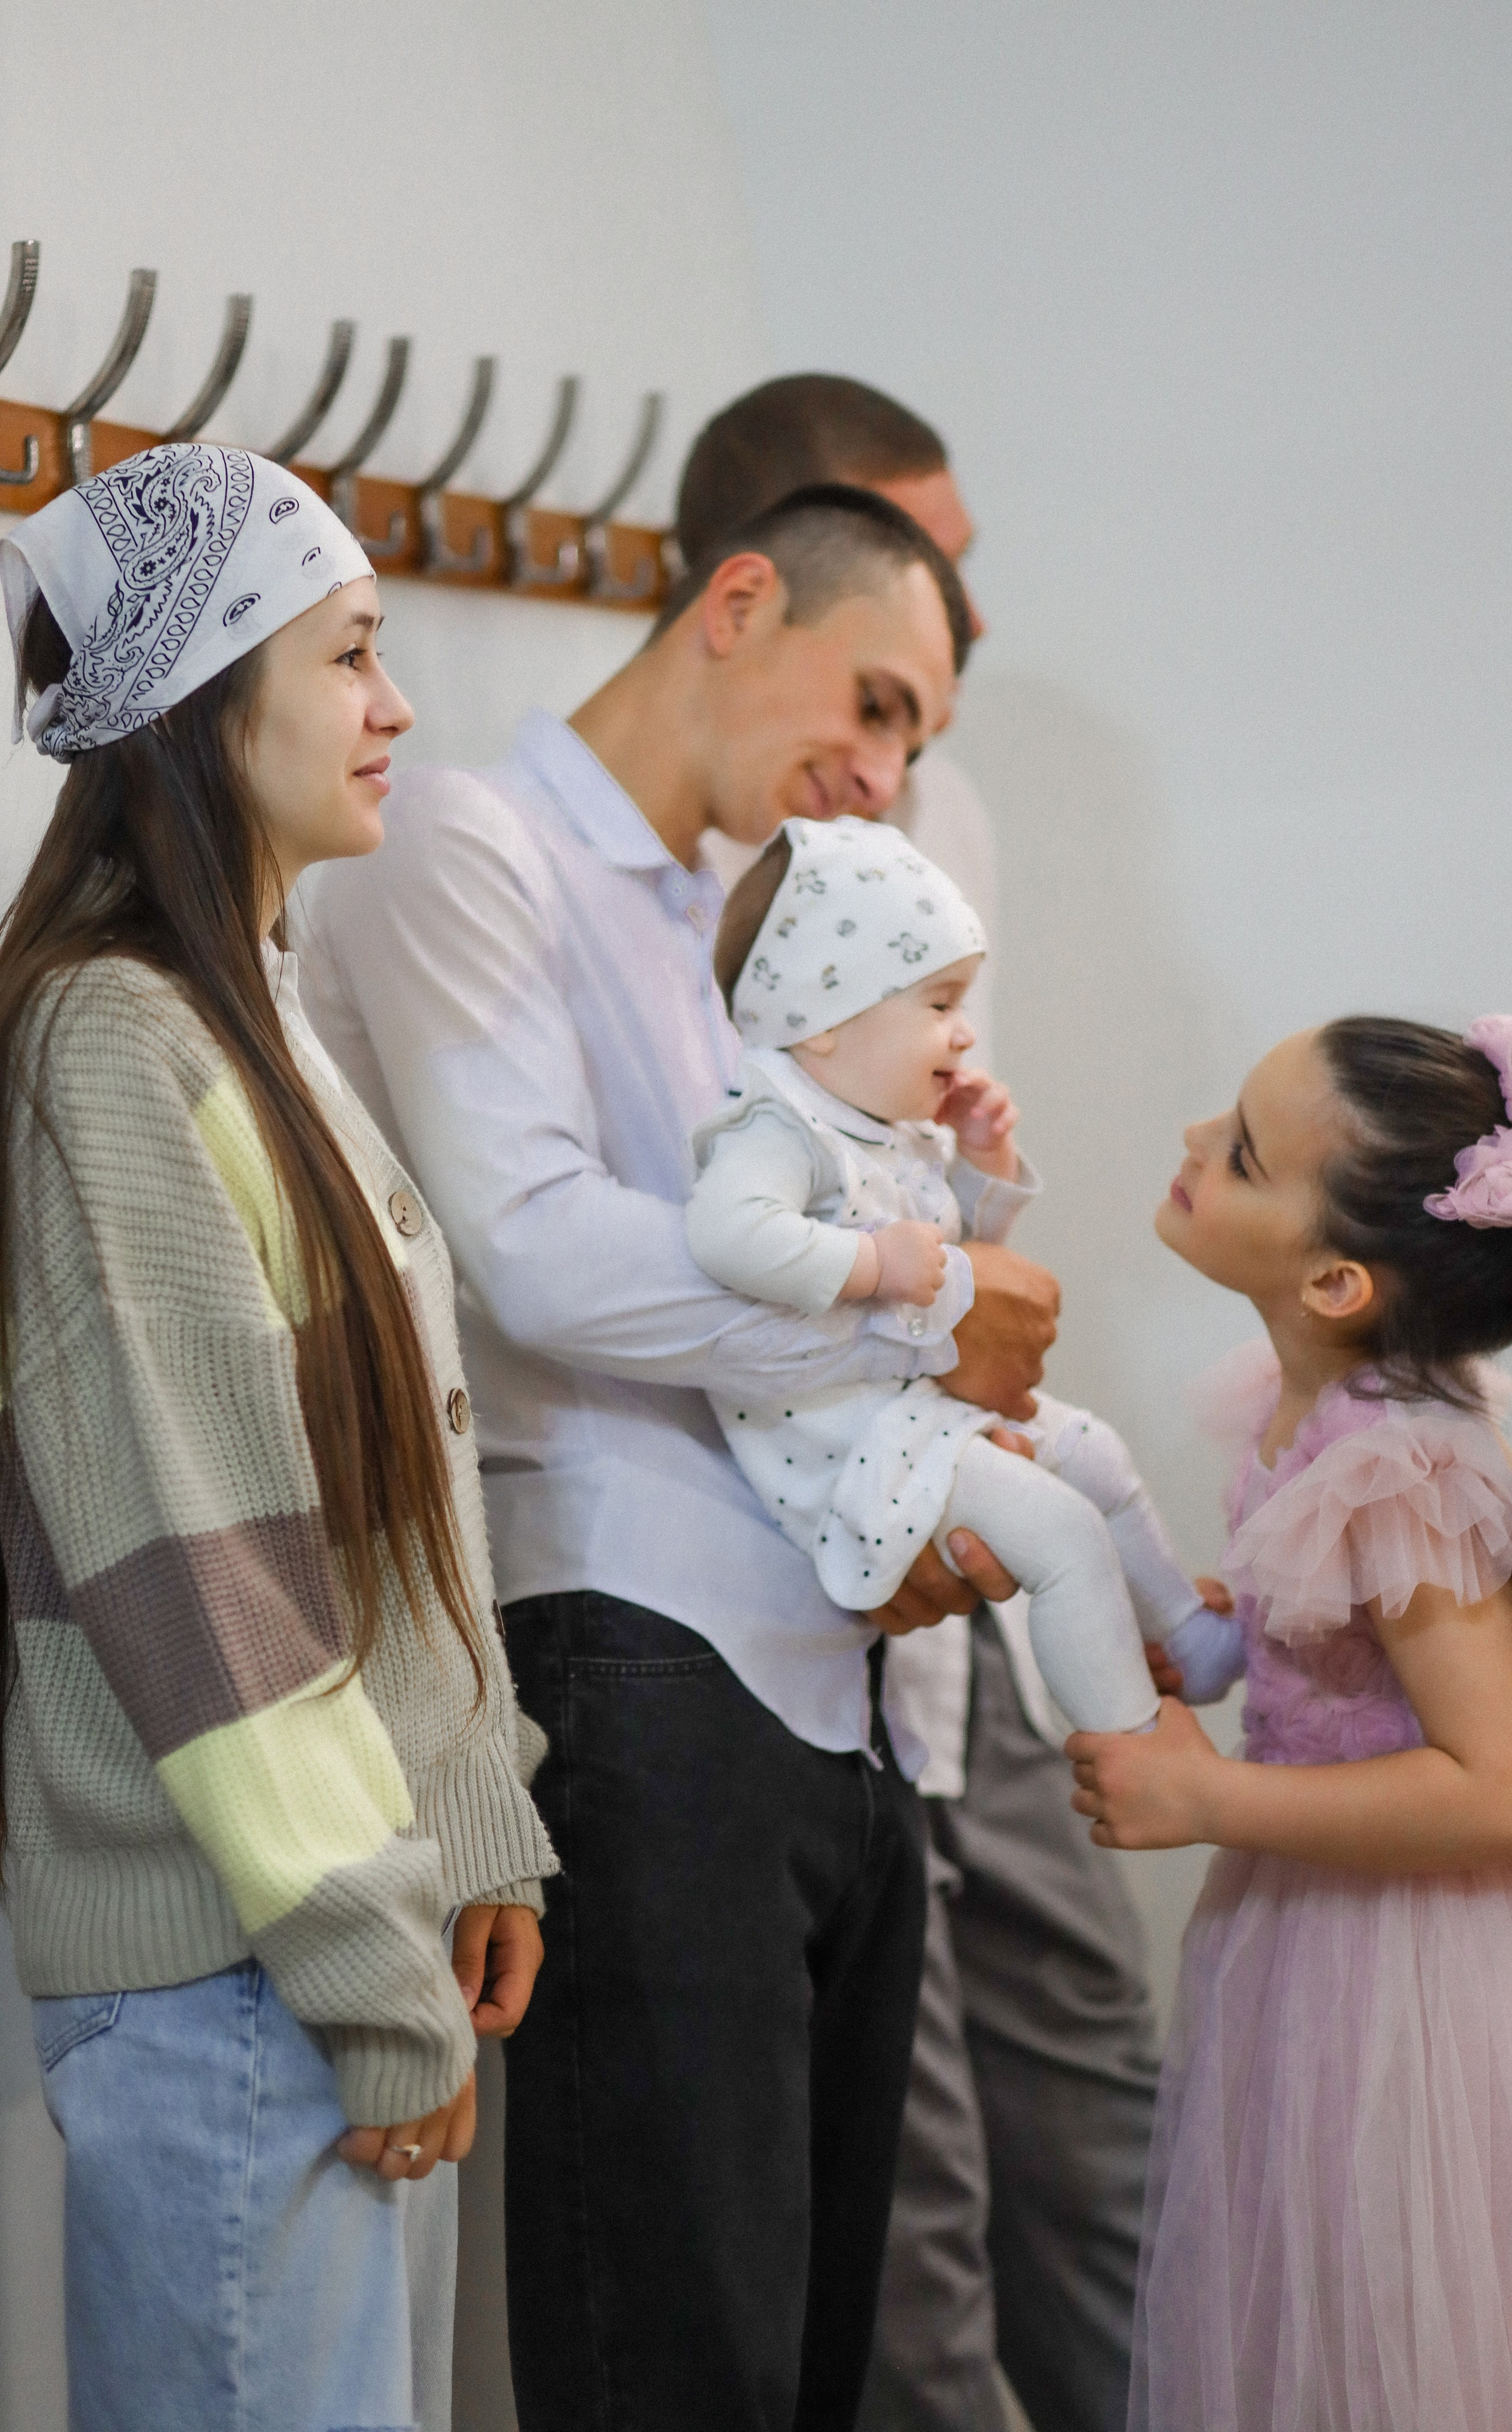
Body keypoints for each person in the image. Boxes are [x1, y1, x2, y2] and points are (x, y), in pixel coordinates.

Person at [293, 483, 1058, 2432]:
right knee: (677, 2364)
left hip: (824, 1679)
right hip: (628, 1651)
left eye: (913, 739)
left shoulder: (768, 932)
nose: (883, 773)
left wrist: (949, 1259)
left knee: (809, 2366)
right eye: (875, 703)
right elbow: (542, 1257)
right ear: (738, 602)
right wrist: (924, 1311)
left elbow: (815, 1258)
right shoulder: (470, 838)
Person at [0, 445, 556, 2432]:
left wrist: (473, 1827)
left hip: (321, 1946)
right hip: (249, 1973)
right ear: (205, 697)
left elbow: (382, 1500)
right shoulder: (113, 1039)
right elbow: (202, 1566)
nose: (395, 704)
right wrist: (369, 1968)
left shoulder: (249, 1006)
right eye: (350, 653)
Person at [680, 374, 1163, 2432]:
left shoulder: (927, 818)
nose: (955, 618)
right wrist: (916, 1288)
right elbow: (728, 1252)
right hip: (825, 1571)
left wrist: (976, 1204)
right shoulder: (692, 903)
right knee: (917, 2210)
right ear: (770, 580)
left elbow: (933, 1178)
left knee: (1106, 2110)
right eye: (917, 582)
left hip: (974, 1585)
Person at [1071, 1014, 1512, 2430]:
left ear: (1333, 1281)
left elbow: (1505, 1786)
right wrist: (1231, 1644)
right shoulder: (1309, 1407)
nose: (1195, 1140)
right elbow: (1352, 1657)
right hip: (1313, 1935)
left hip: (1410, 1979)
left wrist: (1209, 1799)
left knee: (1394, 2349)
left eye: (1243, 1153)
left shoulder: (1397, 1465)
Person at [688, 813, 1226, 1730]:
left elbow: (959, 1263)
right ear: (823, 1018)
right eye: (939, 1006)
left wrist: (981, 1160)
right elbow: (727, 1233)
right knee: (1062, 1536)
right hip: (850, 1443)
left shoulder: (881, 1129)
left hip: (922, 1410)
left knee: (1094, 1452)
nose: (965, 1035)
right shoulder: (778, 1128)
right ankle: (1134, 1743)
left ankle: (1189, 1636)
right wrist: (872, 1263)